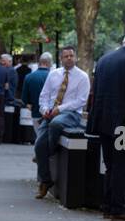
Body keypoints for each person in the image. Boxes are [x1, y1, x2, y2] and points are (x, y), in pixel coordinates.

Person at [87, 28, 125, 221]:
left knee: (111, 165)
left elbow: (95, 93)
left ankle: (108, 206)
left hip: (104, 124)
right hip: (123, 126)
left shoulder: (104, 60)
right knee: (122, 166)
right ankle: (119, 209)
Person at [34, 47, 90, 198]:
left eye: (72, 55)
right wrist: (44, 109)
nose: (69, 58)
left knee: (56, 124)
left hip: (71, 114)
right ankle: (45, 181)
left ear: (76, 57)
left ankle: (50, 151)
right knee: (39, 146)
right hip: (51, 113)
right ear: (61, 59)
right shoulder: (53, 74)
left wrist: (61, 108)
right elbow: (44, 96)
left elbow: (81, 101)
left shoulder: (82, 77)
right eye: (66, 56)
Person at [23, 53, 52, 135]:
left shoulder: (29, 77)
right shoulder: (53, 76)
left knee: (39, 135)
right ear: (49, 63)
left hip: (35, 112)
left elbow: (24, 98)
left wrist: (30, 105)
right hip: (50, 114)